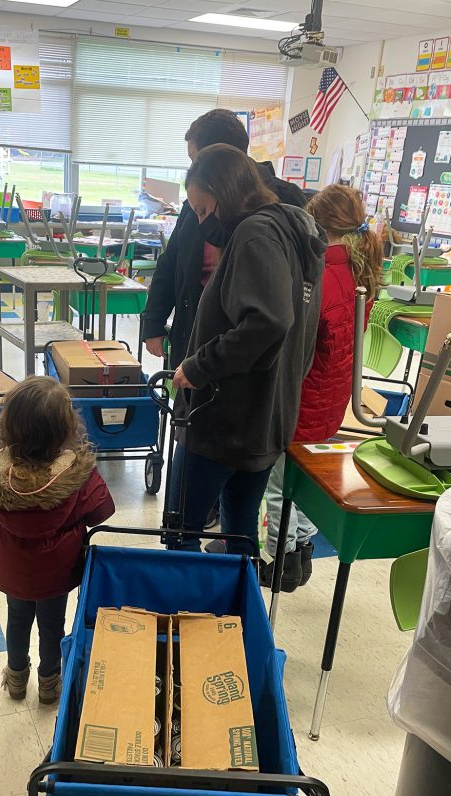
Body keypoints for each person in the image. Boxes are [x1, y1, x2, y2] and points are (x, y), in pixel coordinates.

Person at [167, 144, 325, 555]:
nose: (202, 224)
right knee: (239, 534)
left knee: (180, 532)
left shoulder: (255, 234)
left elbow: (270, 321)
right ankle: (231, 618)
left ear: (226, 192)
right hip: (264, 417)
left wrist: (200, 366)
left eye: (203, 210)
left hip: (223, 419)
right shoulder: (293, 232)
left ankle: (183, 615)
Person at [0, 376, 115, 705]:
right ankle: (49, 684)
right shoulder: (74, 474)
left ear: (9, 426)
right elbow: (102, 511)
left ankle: (16, 680)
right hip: (56, 574)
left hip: (13, 571)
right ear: (65, 428)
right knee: (52, 625)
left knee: (17, 620)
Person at [261, 185, 384, 590]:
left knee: (280, 487)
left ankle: (282, 564)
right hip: (333, 398)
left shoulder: (317, 274)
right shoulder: (359, 269)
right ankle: (303, 551)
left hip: (304, 398)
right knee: (309, 482)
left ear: (317, 222)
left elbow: (296, 343)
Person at [141, 108, 306, 372]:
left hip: (248, 354)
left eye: (196, 159)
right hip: (197, 330)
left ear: (221, 158)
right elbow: (172, 261)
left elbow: (278, 311)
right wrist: (153, 321)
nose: (193, 169)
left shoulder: (280, 204)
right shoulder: (197, 200)